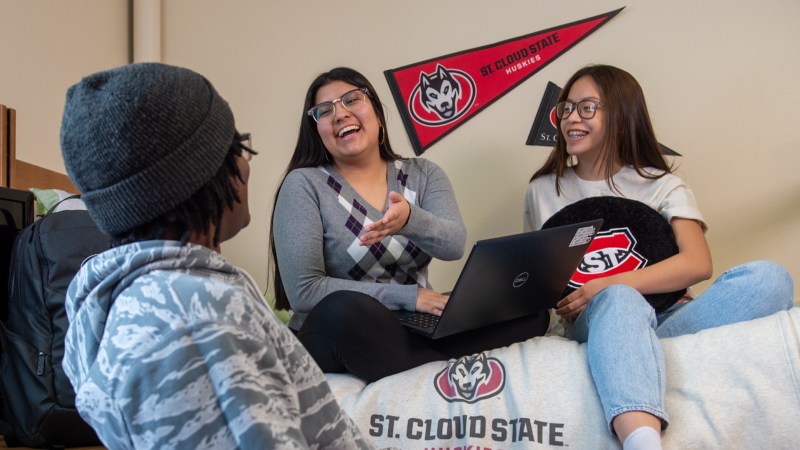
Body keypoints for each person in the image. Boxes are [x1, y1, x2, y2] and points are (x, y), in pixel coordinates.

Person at [60, 63, 377, 450]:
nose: (246, 164)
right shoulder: (196, 324)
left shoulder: (164, 294)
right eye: (236, 148)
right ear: (201, 176)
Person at [524, 64, 794, 450]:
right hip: (594, 320)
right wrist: (602, 294)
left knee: (771, 278)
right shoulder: (542, 191)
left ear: (620, 118)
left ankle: (633, 354)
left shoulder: (663, 184)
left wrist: (609, 281)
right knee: (619, 300)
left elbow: (697, 264)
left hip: (670, 313)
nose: (570, 118)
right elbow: (536, 277)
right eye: (566, 108)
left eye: (587, 108)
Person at [270, 67, 549, 382]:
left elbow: (454, 245)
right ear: (317, 129)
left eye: (351, 100)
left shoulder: (423, 174)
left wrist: (410, 221)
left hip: (409, 325)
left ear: (377, 114)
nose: (340, 114)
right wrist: (410, 296)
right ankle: (436, 365)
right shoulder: (304, 184)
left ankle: (419, 363)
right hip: (337, 332)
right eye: (325, 111)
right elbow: (304, 291)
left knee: (526, 309)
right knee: (343, 309)